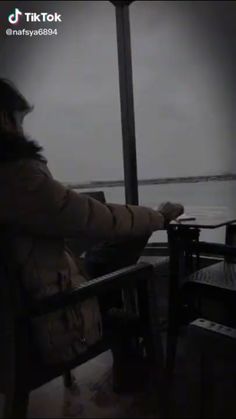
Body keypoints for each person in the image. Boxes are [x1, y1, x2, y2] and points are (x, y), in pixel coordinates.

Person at [0, 79, 184, 384]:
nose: (22, 130)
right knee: (133, 273)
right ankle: (135, 371)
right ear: (4, 118)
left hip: (22, 310)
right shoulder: (17, 178)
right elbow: (96, 218)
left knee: (121, 246)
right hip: (47, 318)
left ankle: (125, 356)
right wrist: (159, 217)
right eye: (19, 120)